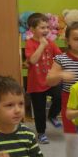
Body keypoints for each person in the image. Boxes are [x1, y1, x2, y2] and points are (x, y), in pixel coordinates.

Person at [46, 21, 78, 157]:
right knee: (72, 139)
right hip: (70, 102)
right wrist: (61, 75)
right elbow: (49, 80)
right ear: (68, 41)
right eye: (76, 39)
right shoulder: (61, 59)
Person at [24, 12, 62, 144]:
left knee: (60, 96)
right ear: (32, 29)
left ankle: (52, 115)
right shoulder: (29, 43)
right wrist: (41, 45)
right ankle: (41, 133)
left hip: (50, 80)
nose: (46, 30)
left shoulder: (51, 43)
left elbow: (59, 57)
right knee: (39, 110)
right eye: (42, 27)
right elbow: (33, 60)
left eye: (47, 27)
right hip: (36, 84)